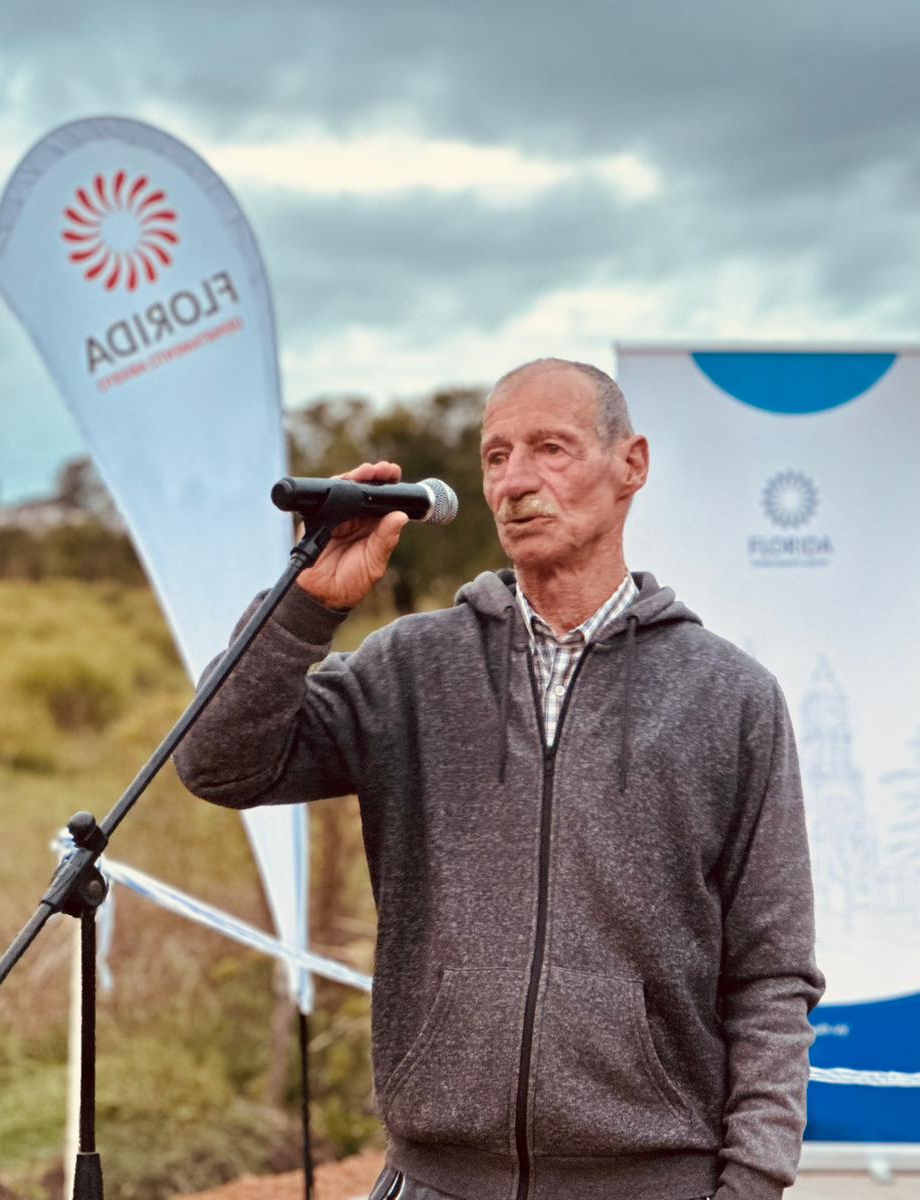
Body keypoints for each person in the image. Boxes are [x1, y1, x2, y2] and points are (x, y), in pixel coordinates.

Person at [174, 358, 825, 1200]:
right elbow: (217, 763)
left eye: (549, 448)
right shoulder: (412, 668)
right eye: (495, 456)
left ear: (631, 464)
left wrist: (750, 1187)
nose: (516, 481)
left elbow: (774, 974)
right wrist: (305, 604)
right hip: (436, 1181)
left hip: (653, 1182)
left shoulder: (729, 697)